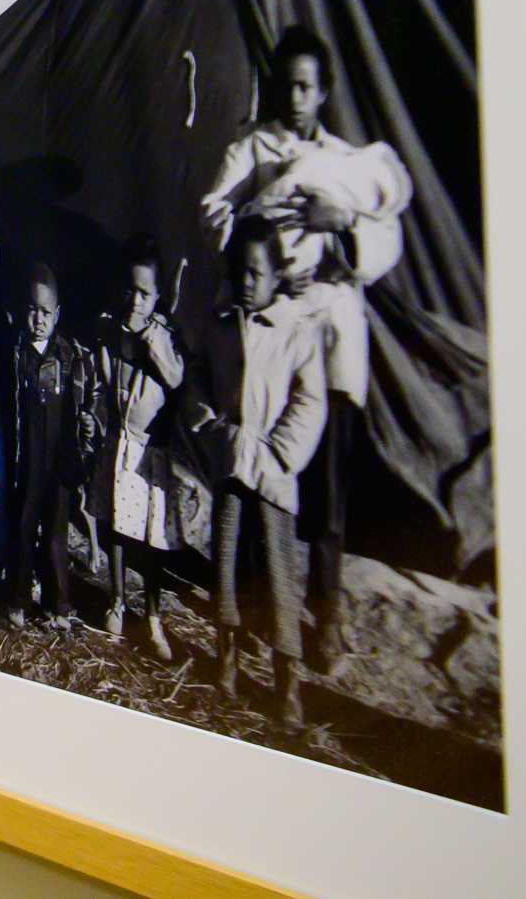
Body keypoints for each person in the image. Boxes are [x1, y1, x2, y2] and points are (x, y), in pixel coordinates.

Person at [198, 25, 411, 672]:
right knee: (268, 467)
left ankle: (329, 607)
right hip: (278, 324)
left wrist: (339, 224)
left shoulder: (351, 161)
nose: (296, 96)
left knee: (328, 478)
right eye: (286, 83)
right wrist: (256, 241)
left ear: (324, 92)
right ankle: (270, 606)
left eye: (307, 86)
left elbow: (385, 239)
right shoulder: (252, 149)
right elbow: (213, 210)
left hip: (333, 320)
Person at [184, 221, 328, 733]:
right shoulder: (221, 322)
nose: (246, 282)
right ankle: (226, 657)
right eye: (238, 271)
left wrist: (281, 454)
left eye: (256, 272)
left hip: (270, 469)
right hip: (230, 458)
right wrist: (210, 425)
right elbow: (197, 373)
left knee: (276, 573)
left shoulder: (296, 329)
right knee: (224, 562)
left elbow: (310, 399)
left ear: (276, 276)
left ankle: (286, 679)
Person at [92, 239, 185, 658]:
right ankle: (116, 600)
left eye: (145, 293)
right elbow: (102, 381)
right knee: (115, 525)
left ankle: (152, 616)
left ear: (158, 297)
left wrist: (153, 341)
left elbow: (176, 379)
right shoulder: (110, 330)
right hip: (119, 442)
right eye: (130, 289)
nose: (136, 299)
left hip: (150, 450)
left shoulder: (163, 336)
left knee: (150, 538)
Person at [2, 263, 98, 628]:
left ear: (57, 314)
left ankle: (60, 606)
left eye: (45, 312)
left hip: (58, 463)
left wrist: (88, 424)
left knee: (56, 536)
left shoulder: (70, 356)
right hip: (26, 459)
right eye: (32, 310)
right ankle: (19, 600)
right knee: (24, 530)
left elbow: (90, 398)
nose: (38, 319)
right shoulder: (17, 354)